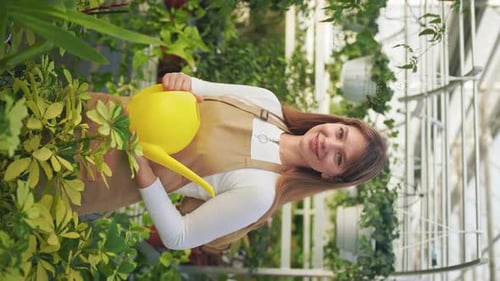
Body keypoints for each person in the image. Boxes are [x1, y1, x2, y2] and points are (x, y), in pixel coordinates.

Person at [79, 72, 387, 252]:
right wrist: (178, 82)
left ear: (331, 176)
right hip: (100, 114)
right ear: (335, 122)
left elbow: (179, 236)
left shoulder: (261, 192)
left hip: (99, 173)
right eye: (340, 133)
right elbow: (195, 86)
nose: (328, 142)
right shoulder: (266, 102)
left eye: (339, 157)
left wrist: (143, 169)